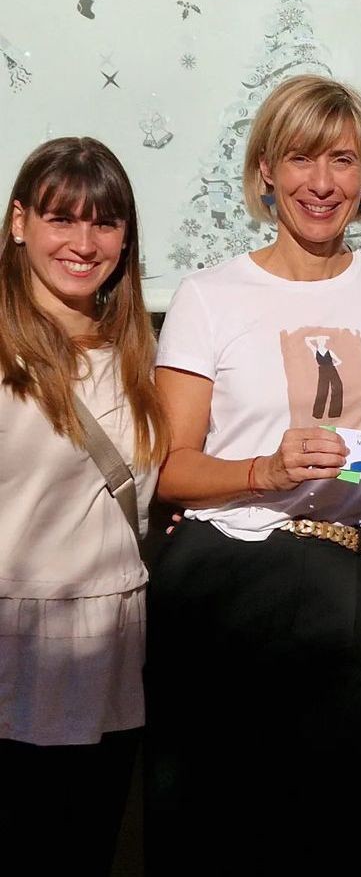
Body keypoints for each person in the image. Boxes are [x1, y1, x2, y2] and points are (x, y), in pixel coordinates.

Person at [145, 75, 361, 874]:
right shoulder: (210, 295)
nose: (321, 183)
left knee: (326, 835)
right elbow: (170, 469)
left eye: (342, 160)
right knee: (206, 832)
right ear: (265, 169)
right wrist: (265, 468)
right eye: (300, 158)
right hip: (228, 575)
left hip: (349, 583)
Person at [0, 137, 168, 874]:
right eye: (61, 219)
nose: (83, 242)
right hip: (14, 649)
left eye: (104, 223)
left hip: (108, 650)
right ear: (19, 223)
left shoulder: (139, 353)